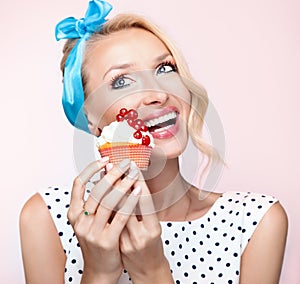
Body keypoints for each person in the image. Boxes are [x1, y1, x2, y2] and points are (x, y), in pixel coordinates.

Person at [19, 1, 288, 283]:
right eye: (121, 81)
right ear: (91, 118)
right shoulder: (46, 218)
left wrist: (153, 273)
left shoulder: (254, 222)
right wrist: (99, 272)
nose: (157, 93)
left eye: (164, 69)